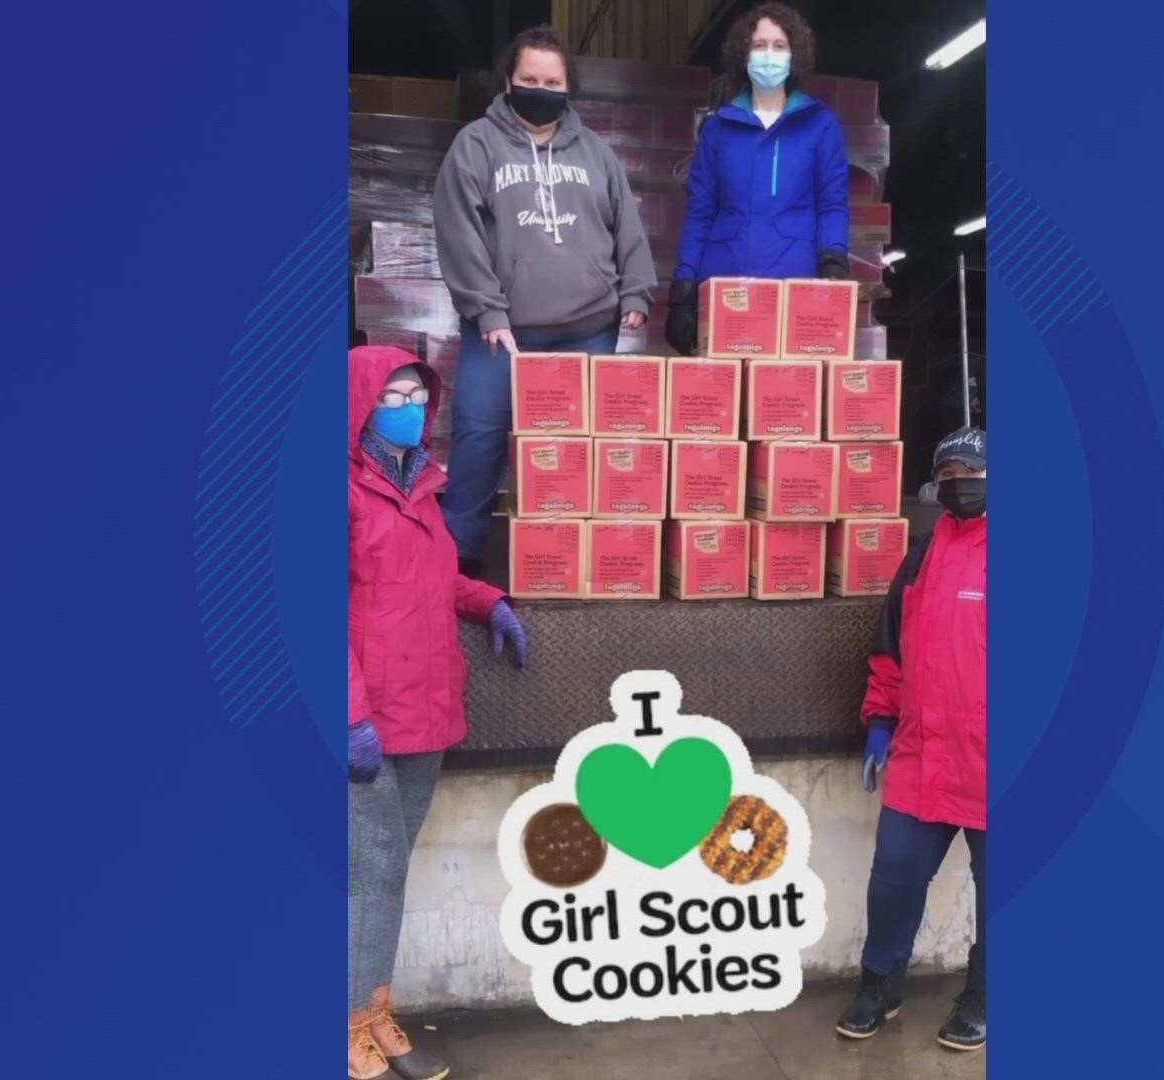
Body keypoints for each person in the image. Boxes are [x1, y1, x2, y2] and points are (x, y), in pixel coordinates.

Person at [346, 344, 530, 1080]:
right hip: (366, 718)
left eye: (417, 395)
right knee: (372, 867)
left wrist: (489, 602)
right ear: (359, 403)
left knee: (386, 874)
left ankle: (374, 1012)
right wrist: (348, 713)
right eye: (391, 396)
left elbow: (438, 578)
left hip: (422, 707)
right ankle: (347, 1021)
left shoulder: (421, 484)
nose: (408, 407)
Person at [432, 25, 657, 573]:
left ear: (567, 86)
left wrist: (637, 288)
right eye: (529, 78)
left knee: (587, 454)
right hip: (503, 333)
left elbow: (627, 223)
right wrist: (487, 309)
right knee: (480, 439)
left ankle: (584, 562)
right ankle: (457, 560)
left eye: (551, 80)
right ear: (508, 80)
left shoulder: (595, 152)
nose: (540, 88)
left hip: (589, 329)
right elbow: (457, 229)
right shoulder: (476, 146)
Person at [836, 425, 986, 1053]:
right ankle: (880, 983)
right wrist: (879, 722)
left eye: (970, 474)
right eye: (946, 476)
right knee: (894, 877)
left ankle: (984, 996)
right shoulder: (920, 554)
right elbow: (889, 648)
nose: (958, 486)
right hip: (922, 756)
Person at [665, 2, 851, 356]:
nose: (769, 55)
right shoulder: (719, 128)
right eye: (759, 45)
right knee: (726, 403)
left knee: (784, 403)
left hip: (795, 285)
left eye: (779, 46)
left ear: (794, 56)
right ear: (743, 54)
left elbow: (832, 203)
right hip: (726, 284)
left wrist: (833, 259)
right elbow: (701, 212)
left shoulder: (820, 124)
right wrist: (684, 287)